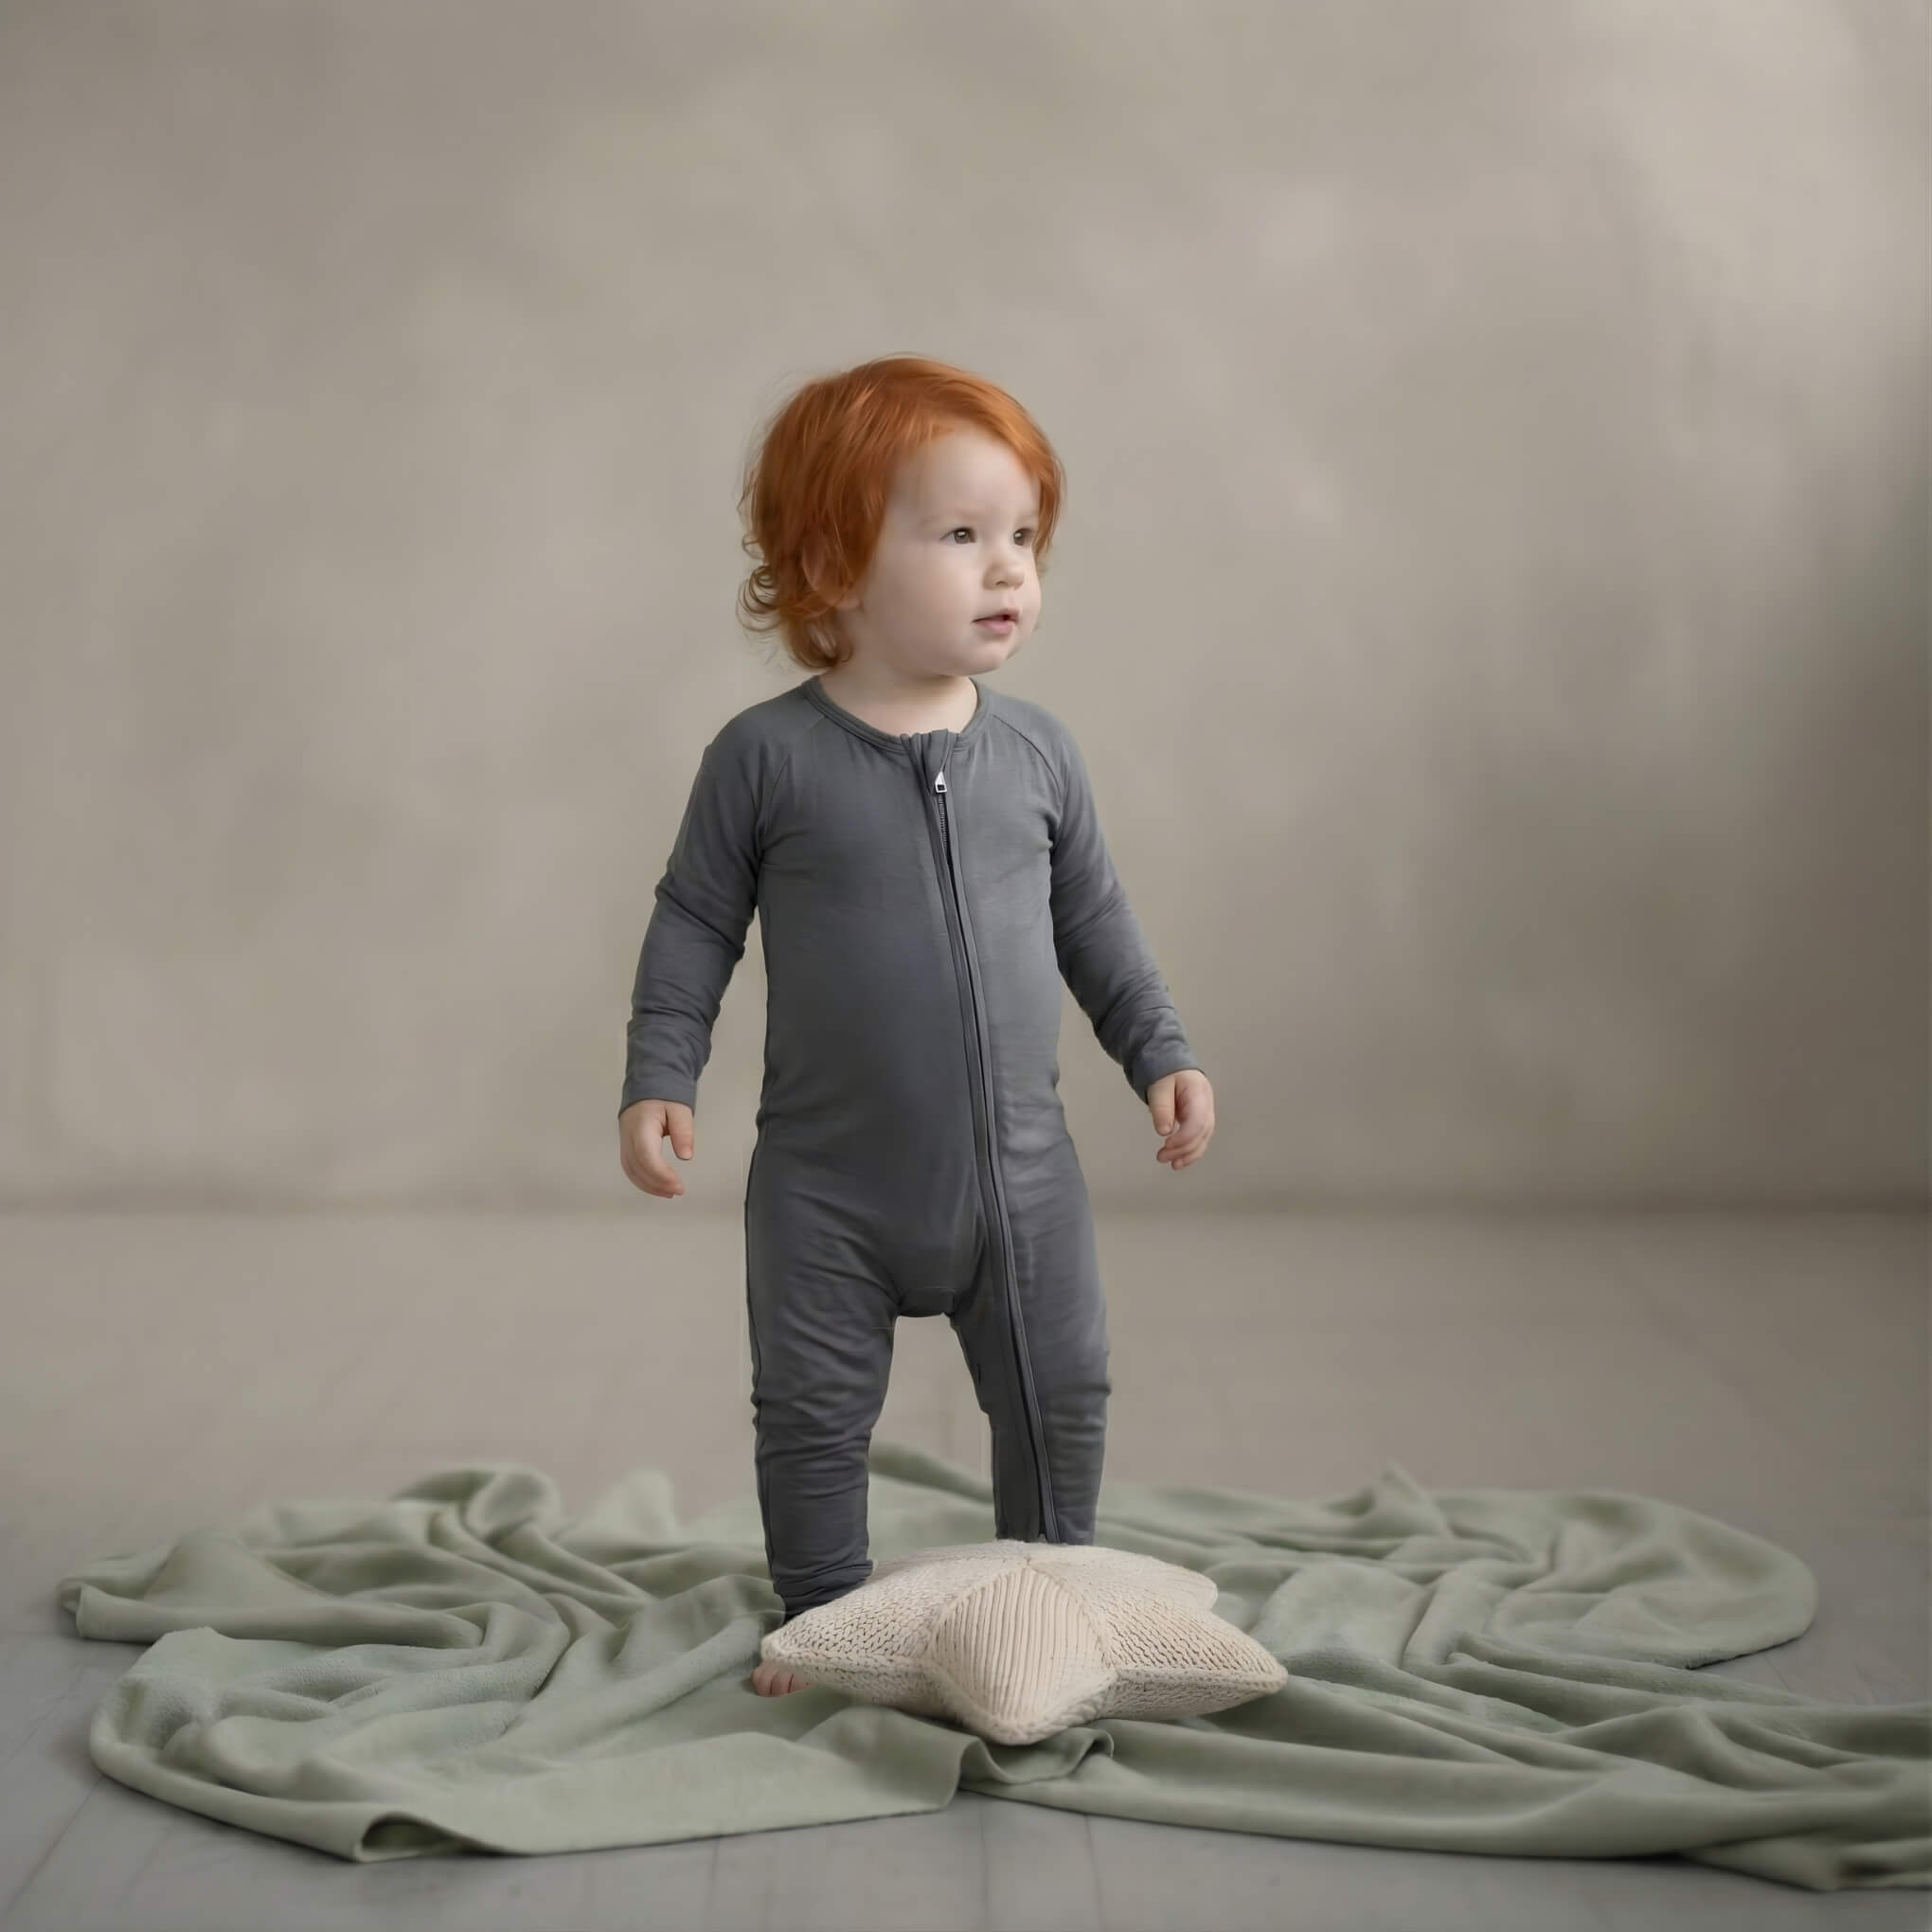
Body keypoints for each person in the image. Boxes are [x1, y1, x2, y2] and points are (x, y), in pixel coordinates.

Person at [617, 355, 1216, 1695]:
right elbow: (694, 923)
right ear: (834, 563)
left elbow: (1097, 927)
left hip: (1022, 1179)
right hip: (830, 1189)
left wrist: (1160, 1052)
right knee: (813, 1414)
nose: (1009, 570)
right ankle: (827, 1613)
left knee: (1063, 1391)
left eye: (1024, 537)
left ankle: (1057, 1590)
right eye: (962, 536)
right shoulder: (763, 759)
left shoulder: (1040, 756)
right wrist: (662, 1072)